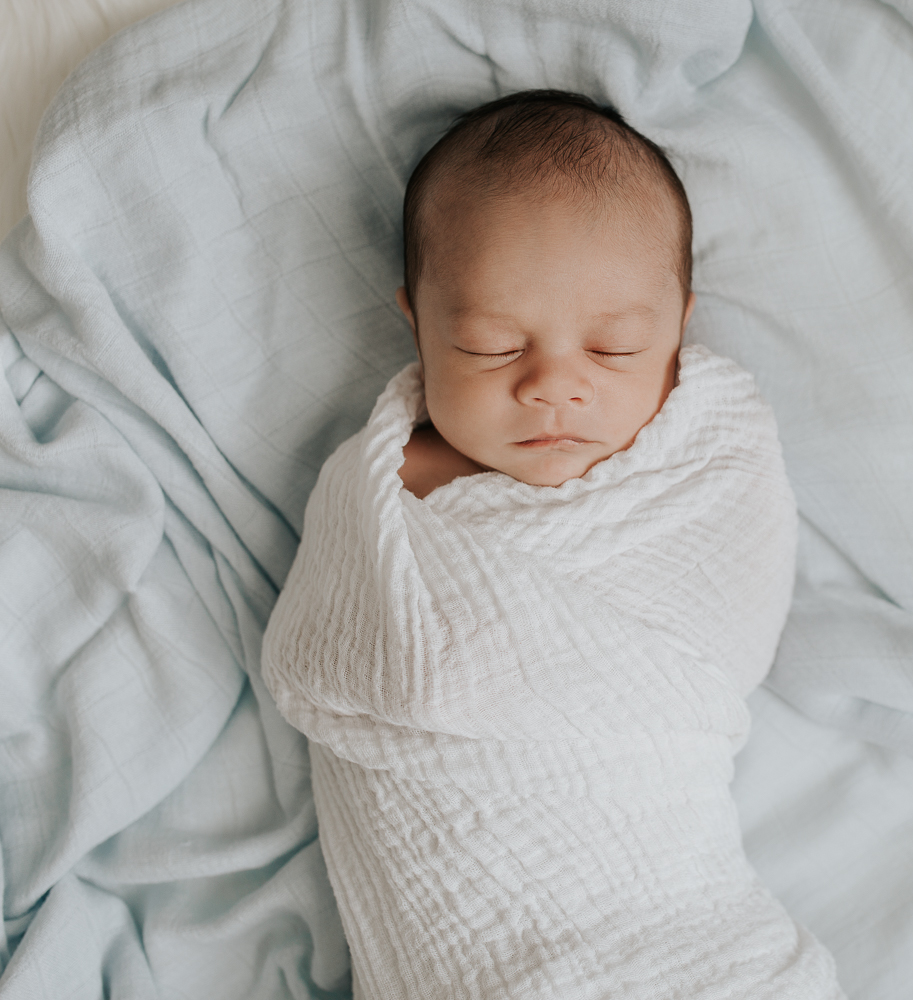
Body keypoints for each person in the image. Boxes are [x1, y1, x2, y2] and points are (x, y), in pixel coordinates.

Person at [261, 90, 845, 999]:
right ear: (417, 323)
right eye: (493, 348)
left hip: (690, 939)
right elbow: (343, 660)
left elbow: (727, 621)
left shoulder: (709, 461)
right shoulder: (379, 490)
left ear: (681, 324)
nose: (554, 388)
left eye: (612, 350)